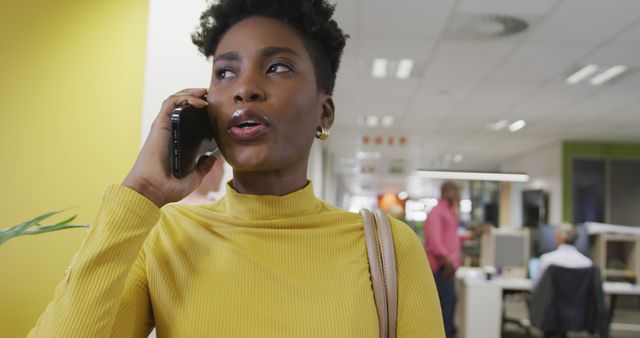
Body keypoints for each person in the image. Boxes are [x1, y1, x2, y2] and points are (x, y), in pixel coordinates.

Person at [27, 1, 445, 337]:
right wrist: (142, 192)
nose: (244, 87)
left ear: (325, 112)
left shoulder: (388, 246)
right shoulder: (165, 237)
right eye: (225, 72)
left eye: (277, 66)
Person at [424, 181, 461, 338]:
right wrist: (447, 261)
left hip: (448, 266)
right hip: (441, 267)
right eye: (456, 191)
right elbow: (434, 242)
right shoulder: (437, 212)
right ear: (447, 192)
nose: (458, 195)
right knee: (445, 305)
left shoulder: (449, 212)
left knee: (450, 303)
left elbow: (451, 238)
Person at [532, 223, 592, 289]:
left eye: (556, 235)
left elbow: (535, 287)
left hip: (553, 299)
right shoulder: (587, 263)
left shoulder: (547, 260)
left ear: (561, 237)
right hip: (580, 299)